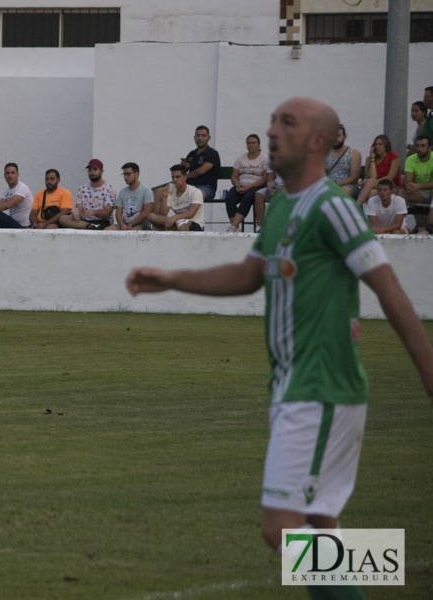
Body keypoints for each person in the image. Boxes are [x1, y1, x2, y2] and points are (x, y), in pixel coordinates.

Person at [127, 97, 433, 600]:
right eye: (271, 119)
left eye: (285, 122)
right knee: (318, 523)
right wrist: (173, 277)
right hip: (296, 386)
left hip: (321, 388)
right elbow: (249, 274)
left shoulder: (332, 207)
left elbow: (389, 288)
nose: (271, 130)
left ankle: (384, 567)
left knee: (280, 527)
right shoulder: (283, 204)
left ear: (318, 140)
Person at [154, 125, 221, 208]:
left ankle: (187, 220)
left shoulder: (212, 153)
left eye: (203, 135)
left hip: (206, 188)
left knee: (193, 195)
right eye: (197, 135)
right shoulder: (192, 154)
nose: (200, 138)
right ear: (194, 137)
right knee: (157, 193)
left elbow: (201, 170)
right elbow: (182, 172)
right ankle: (158, 220)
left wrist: (186, 176)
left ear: (209, 138)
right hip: (187, 186)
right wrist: (184, 167)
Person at [225, 134, 268, 232]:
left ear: (259, 144)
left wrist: (249, 187)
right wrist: (237, 185)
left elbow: (264, 179)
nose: (251, 145)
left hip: (255, 186)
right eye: (249, 143)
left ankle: (233, 226)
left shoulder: (264, 159)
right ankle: (235, 228)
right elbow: (234, 176)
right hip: (241, 185)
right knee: (229, 197)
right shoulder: (241, 158)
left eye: (253, 143)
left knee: (247, 197)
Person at [57, 159, 116, 229]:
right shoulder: (82, 189)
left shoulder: (109, 189)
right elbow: (79, 209)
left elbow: (107, 213)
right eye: (90, 170)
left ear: (102, 171)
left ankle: (91, 226)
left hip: (102, 221)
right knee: (63, 218)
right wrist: (75, 214)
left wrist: (94, 212)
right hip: (84, 221)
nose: (92, 172)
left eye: (95, 169)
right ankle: (90, 226)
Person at [148, 164, 204, 231]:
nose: (174, 180)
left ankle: (171, 227)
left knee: (177, 227)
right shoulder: (171, 190)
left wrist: (175, 217)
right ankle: (172, 226)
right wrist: (164, 197)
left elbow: (191, 214)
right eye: (173, 177)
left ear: (185, 177)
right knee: (151, 216)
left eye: (178, 177)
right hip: (177, 222)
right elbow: (163, 215)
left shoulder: (195, 192)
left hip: (194, 224)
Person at [0, 163, 32, 228]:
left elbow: (8, 205)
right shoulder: (7, 189)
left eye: (12, 173)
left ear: (18, 174)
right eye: (7, 173)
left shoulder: (22, 188)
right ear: (4, 175)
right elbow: (0, 206)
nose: (10, 175)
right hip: (12, 223)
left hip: (23, 226)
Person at [354, 134, 401, 205]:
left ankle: (356, 206)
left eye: (380, 144)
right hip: (375, 187)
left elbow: (389, 178)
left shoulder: (394, 157)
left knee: (371, 182)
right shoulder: (369, 159)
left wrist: (371, 181)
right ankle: (371, 215)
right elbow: (373, 177)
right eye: (376, 144)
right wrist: (372, 159)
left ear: (386, 145)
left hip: (391, 186)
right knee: (372, 192)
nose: (377, 147)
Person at [106, 162, 153, 231]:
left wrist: (131, 223)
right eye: (124, 174)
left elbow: (147, 212)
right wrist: (122, 224)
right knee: (107, 231)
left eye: (128, 174)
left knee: (132, 233)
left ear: (136, 174)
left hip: (142, 225)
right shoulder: (122, 192)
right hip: (125, 224)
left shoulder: (146, 191)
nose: (125, 177)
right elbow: (118, 213)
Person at [326, 124, 361, 197]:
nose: (336, 138)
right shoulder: (325, 153)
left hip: (348, 186)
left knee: (342, 192)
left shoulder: (353, 153)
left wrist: (337, 185)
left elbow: (354, 177)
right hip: (329, 185)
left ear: (345, 137)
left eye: (338, 136)